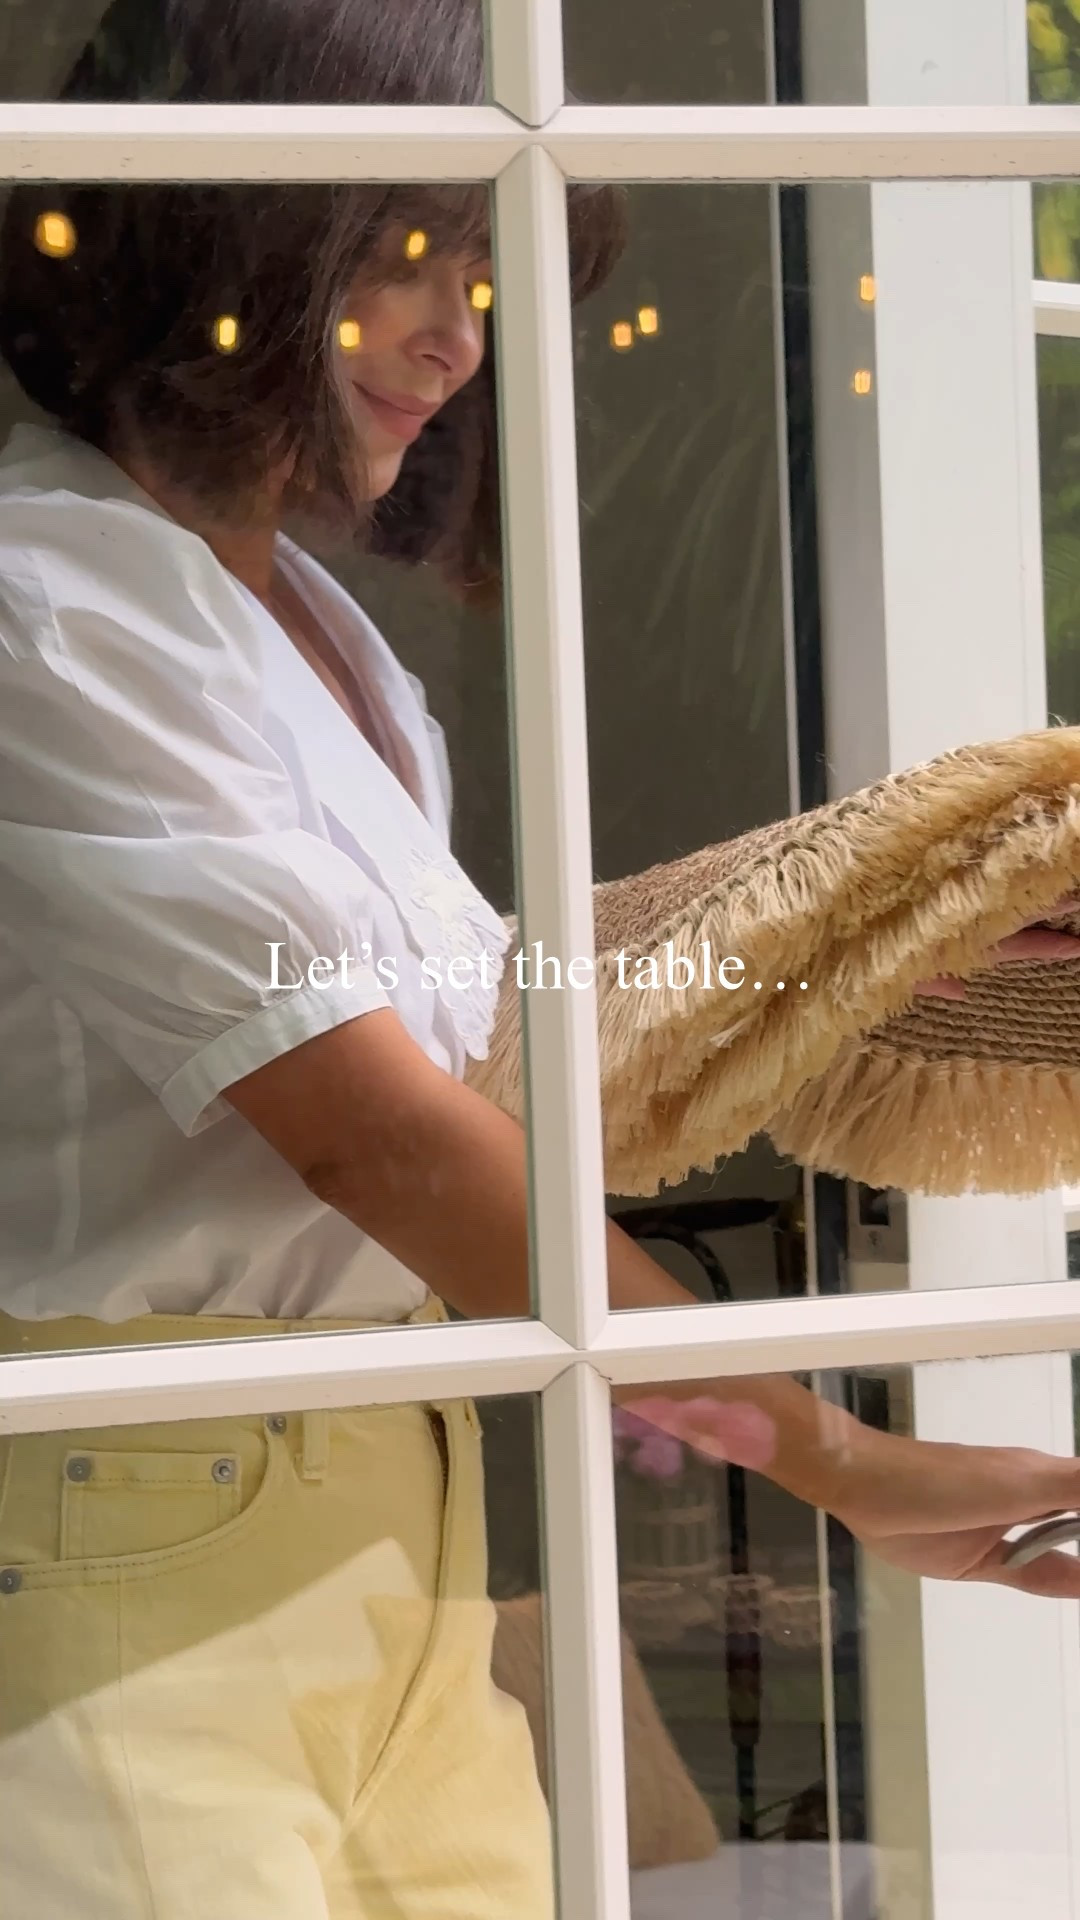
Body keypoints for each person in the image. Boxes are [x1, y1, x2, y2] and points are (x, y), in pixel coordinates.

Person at [0, 2, 1079, 1915]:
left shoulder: (310, 628)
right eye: (410, 249)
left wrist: (854, 946)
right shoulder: (49, 604)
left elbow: (469, 1041)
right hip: (130, 1497)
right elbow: (383, 1139)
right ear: (233, 219)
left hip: (393, 1481)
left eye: (486, 275)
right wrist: (838, 1458)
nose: (459, 337)